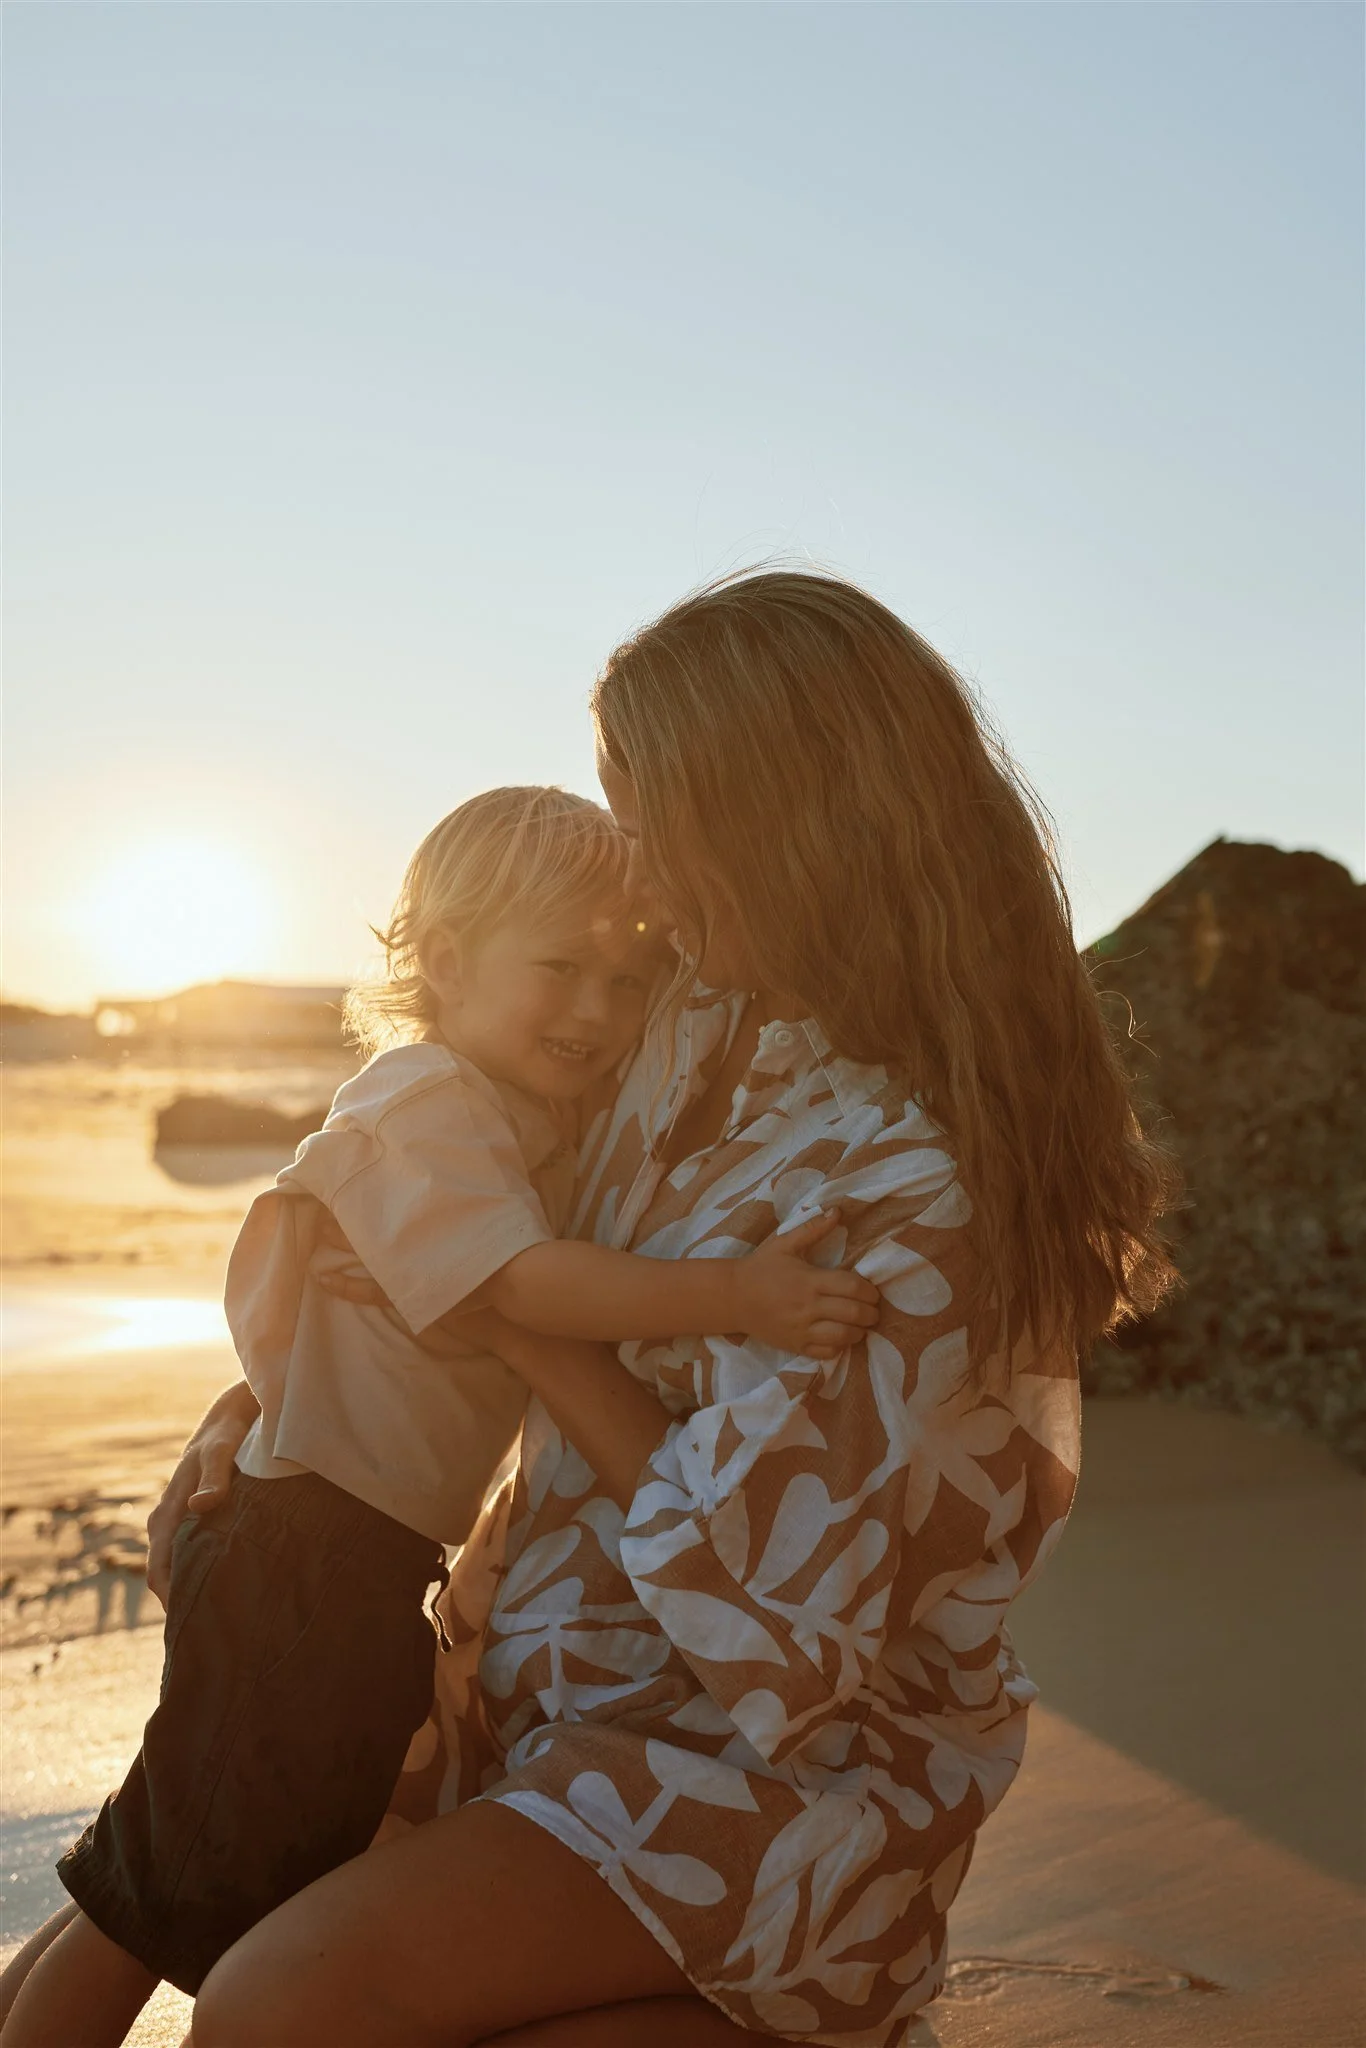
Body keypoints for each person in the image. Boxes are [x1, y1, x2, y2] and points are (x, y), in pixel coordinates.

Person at [0, 570, 1176, 2048]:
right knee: (169, 1871)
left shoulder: (915, 1190)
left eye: (657, 822)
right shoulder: (687, 1021)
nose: (640, 880)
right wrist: (274, 1420)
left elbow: (780, 1638)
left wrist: (511, 1327)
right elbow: (443, 1170)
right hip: (527, 1695)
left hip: (766, 1774)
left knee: (275, 2003)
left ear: (781, 826)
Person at [0, 781, 876, 2048]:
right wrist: (737, 1292)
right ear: (449, 962)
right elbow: (517, 1285)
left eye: (627, 980)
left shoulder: (523, 1110)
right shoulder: (427, 1102)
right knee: (168, 1889)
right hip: (306, 1547)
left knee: (166, 1854)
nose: (597, 1008)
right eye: (561, 967)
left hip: (344, 1547)